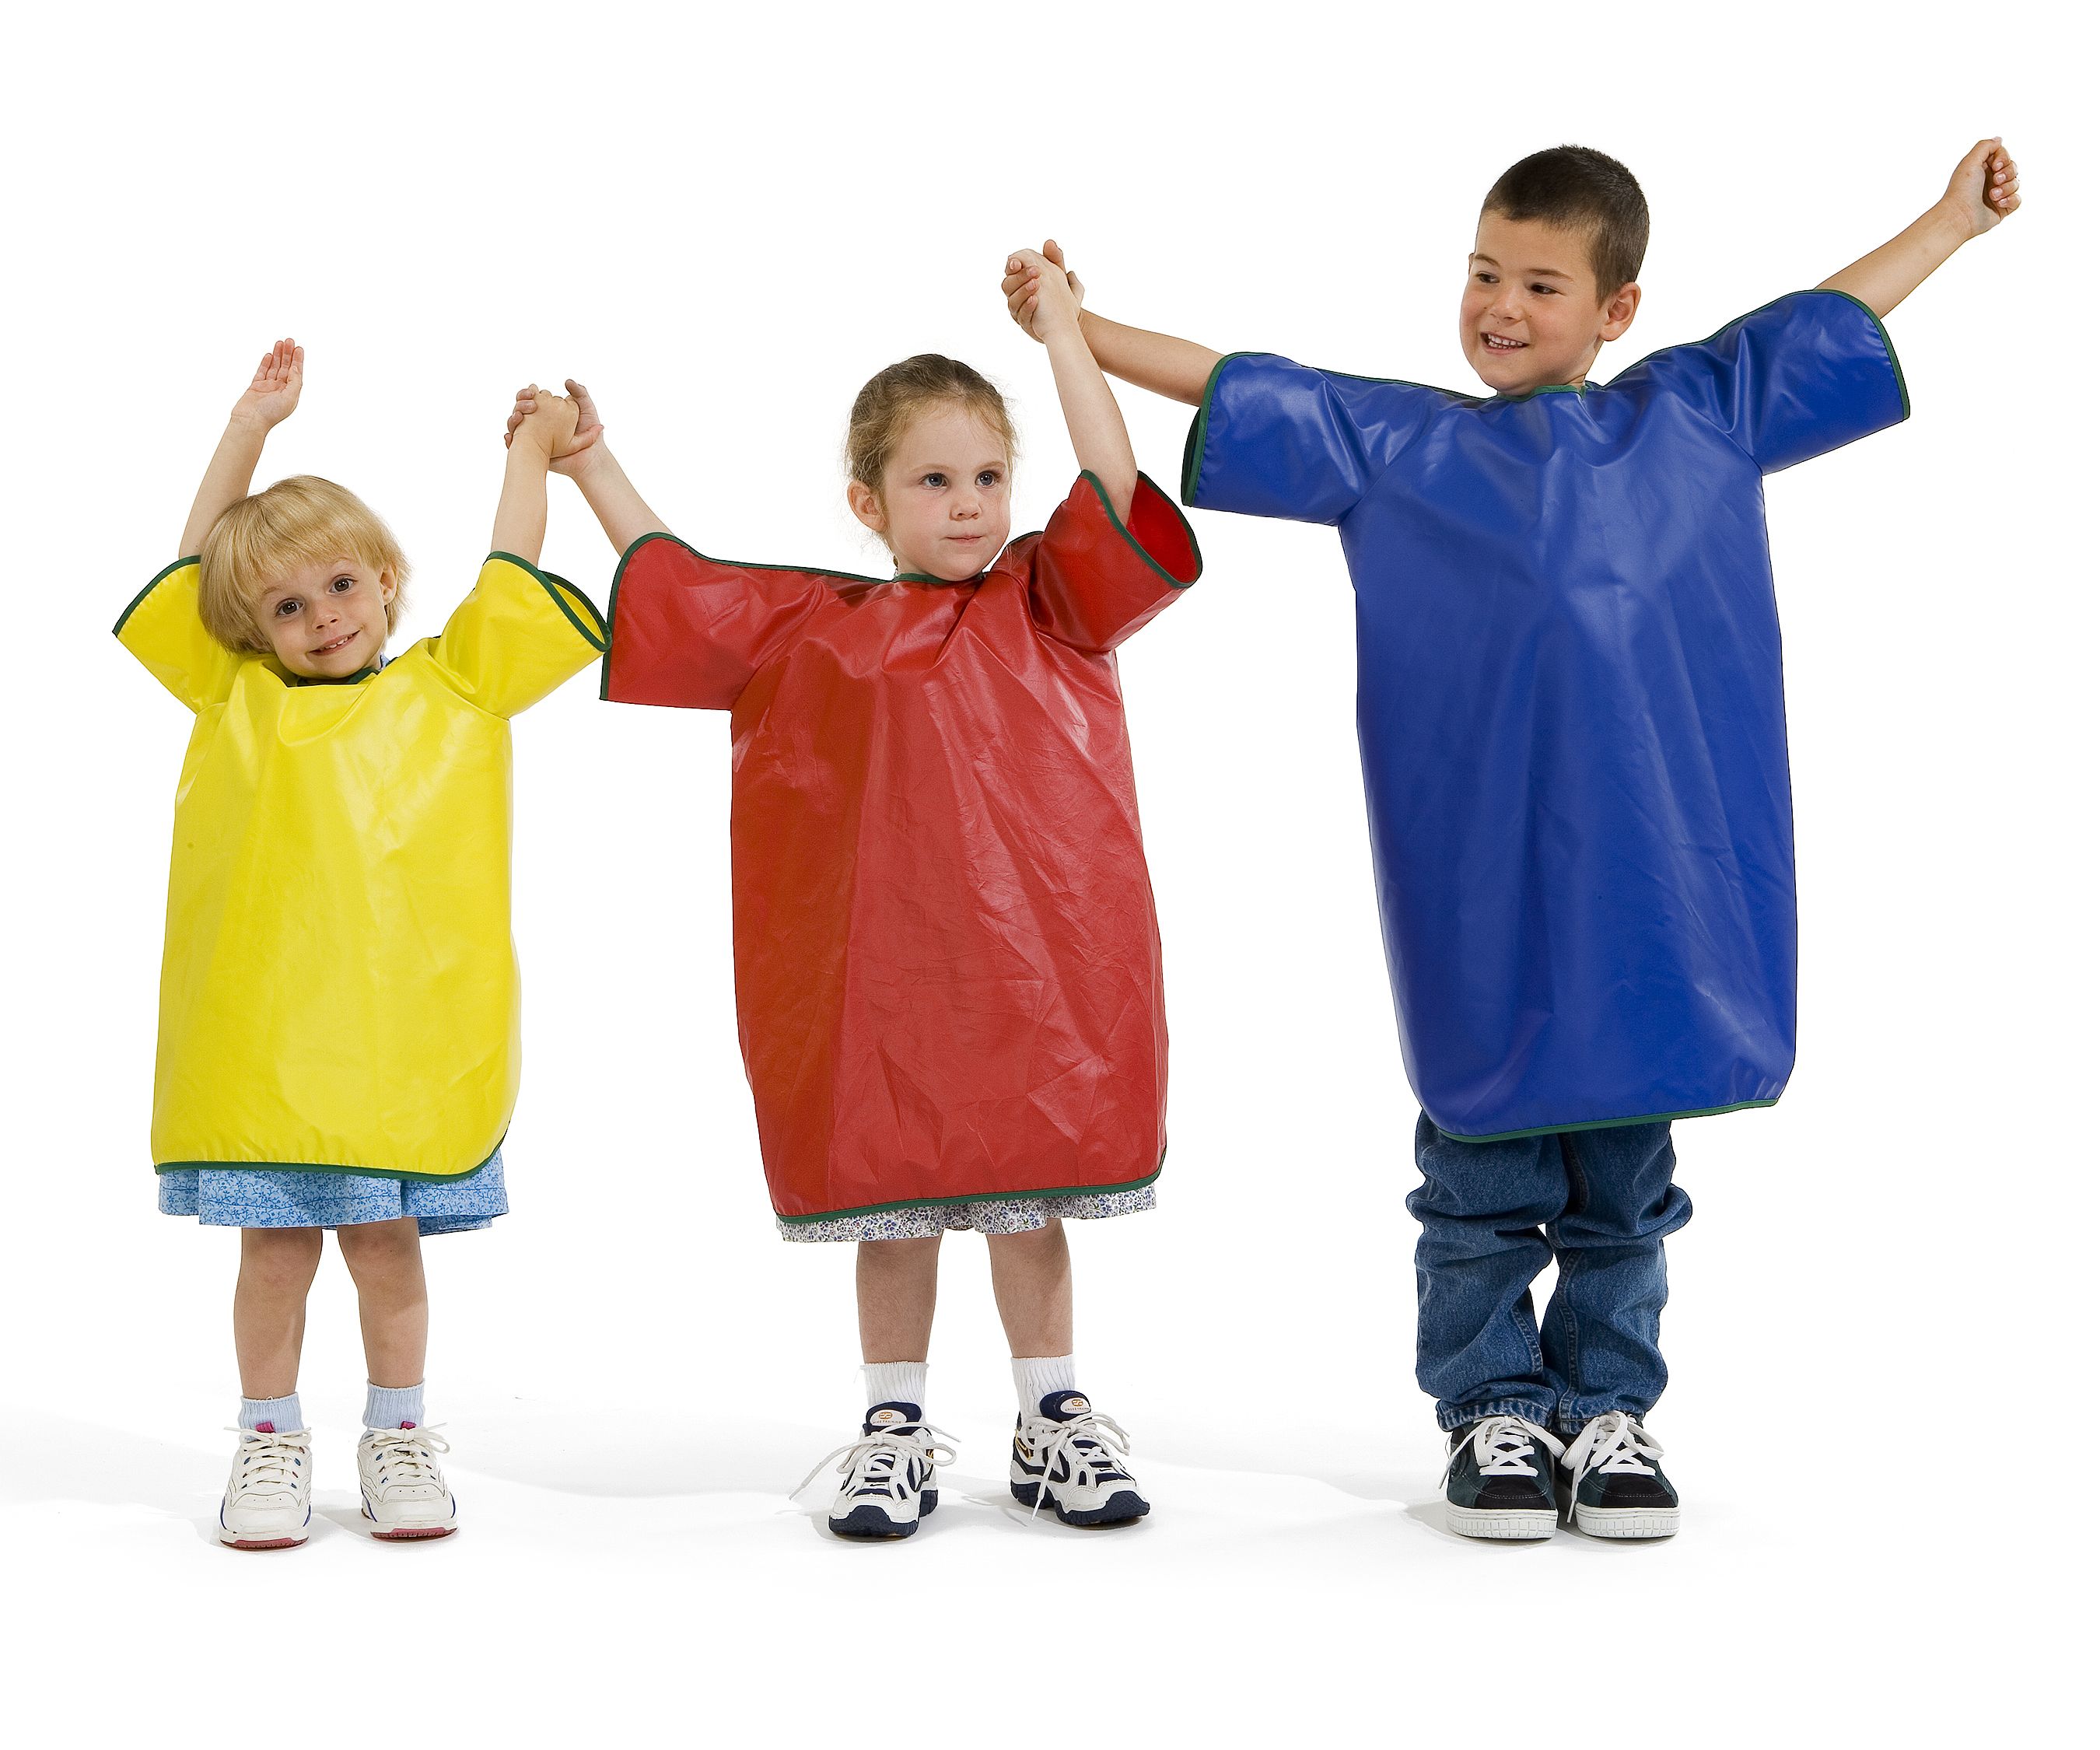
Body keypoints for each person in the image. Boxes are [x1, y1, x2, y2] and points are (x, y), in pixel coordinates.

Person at [1003, 138, 2021, 1539]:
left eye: (1542, 283)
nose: (1500, 304)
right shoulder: (1409, 447)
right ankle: (1492, 1407)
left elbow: (1827, 318)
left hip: (1656, 890)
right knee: (1480, 1166)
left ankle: (1608, 1412)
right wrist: (1077, 326)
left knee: (1627, 1184)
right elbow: (1244, 379)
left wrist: (1949, 224)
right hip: (1484, 883)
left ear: (1618, 309)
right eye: (1484, 271)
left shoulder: (1698, 415)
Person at [512, 250, 1198, 1538]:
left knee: (1032, 1196)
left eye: (989, 477)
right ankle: (894, 1423)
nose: (969, 504)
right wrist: (591, 459)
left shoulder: (1055, 600)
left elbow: (1116, 489)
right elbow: (679, 577)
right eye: (934, 480)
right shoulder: (809, 627)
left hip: (1037, 981)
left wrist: (1064, 335)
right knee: (899, 1202)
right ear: (867, 502)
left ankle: (1054, 1417)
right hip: (889, 987)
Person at [120, 340, 605, 1547]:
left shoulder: (457, 687)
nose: (321, 617)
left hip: (397, 1056)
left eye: (340, 585)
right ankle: (270, 1438)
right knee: (275, 1255)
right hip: (267, 1058)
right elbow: (190, 576)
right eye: (284, 606)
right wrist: (248, 431)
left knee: (388, 1254)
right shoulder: (238, 699)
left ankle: (398, 1431)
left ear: (388, 580)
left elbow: (514, 563)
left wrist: (532, 452)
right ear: (250, 631)